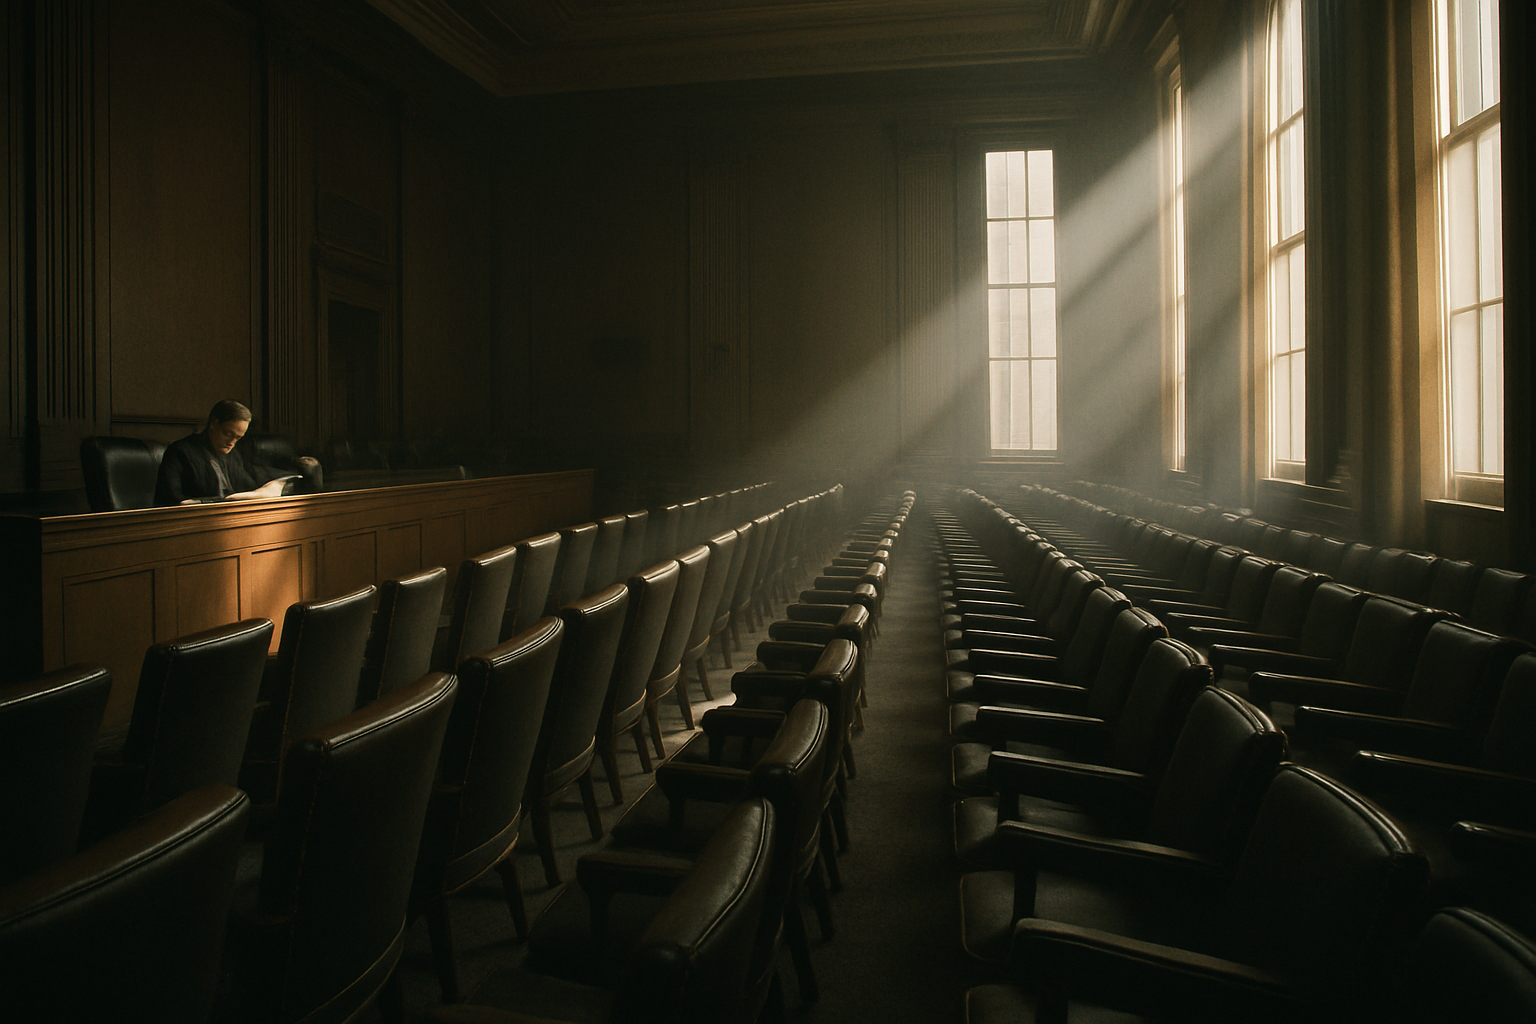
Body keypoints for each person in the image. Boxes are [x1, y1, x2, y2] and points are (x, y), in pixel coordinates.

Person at [155, 400, 320, 505]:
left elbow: (249, 484)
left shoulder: (232, 454)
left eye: (238, 438)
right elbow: (171, 501)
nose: (231, 443)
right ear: (213, 424)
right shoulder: (180, 452)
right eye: (228, 434)